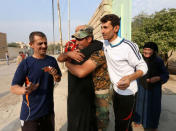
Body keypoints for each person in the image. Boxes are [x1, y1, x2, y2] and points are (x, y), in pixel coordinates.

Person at [100, 14, 148, 131]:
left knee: (124, 125)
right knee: (118, 121)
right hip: (115, 91)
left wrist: (130, 77)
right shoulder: (104, 43)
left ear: (116, 28)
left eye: (105, 27)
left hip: (128, 93)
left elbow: (143, 66)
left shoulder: (128, 46)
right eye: (101, 27)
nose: (102, 31)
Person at [11, 31, 62, 131]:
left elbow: (58, 78)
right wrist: (25, 90)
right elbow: (13, 88)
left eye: (45, 43)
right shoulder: (26, 63)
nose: (44, 46)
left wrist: (55, 75)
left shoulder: (51, 60)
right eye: (40, 43)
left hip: (48, 113)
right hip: (31, 116)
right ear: (31, 45)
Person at [58, 25, 103, 131]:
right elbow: (60, 58)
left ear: (89, 39)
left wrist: (68, 64)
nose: (76, 42)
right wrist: (68, 54)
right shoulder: (75, 48)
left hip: (86, 96)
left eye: (79, 39)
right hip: (75, 95)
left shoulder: (96, 50)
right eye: (76, 39)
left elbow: (81, 72)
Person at [133, 42, 169, 131]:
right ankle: (138, 121)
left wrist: (158, 78)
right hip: (141, 86)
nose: (146, 51)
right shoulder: (139, 59)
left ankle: (153, 125)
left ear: (154, 51)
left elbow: (165, 74)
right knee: (139, 105)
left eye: (149, 49)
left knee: (154, 107)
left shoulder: (158, 61)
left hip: (154, 88)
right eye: (145, 49)